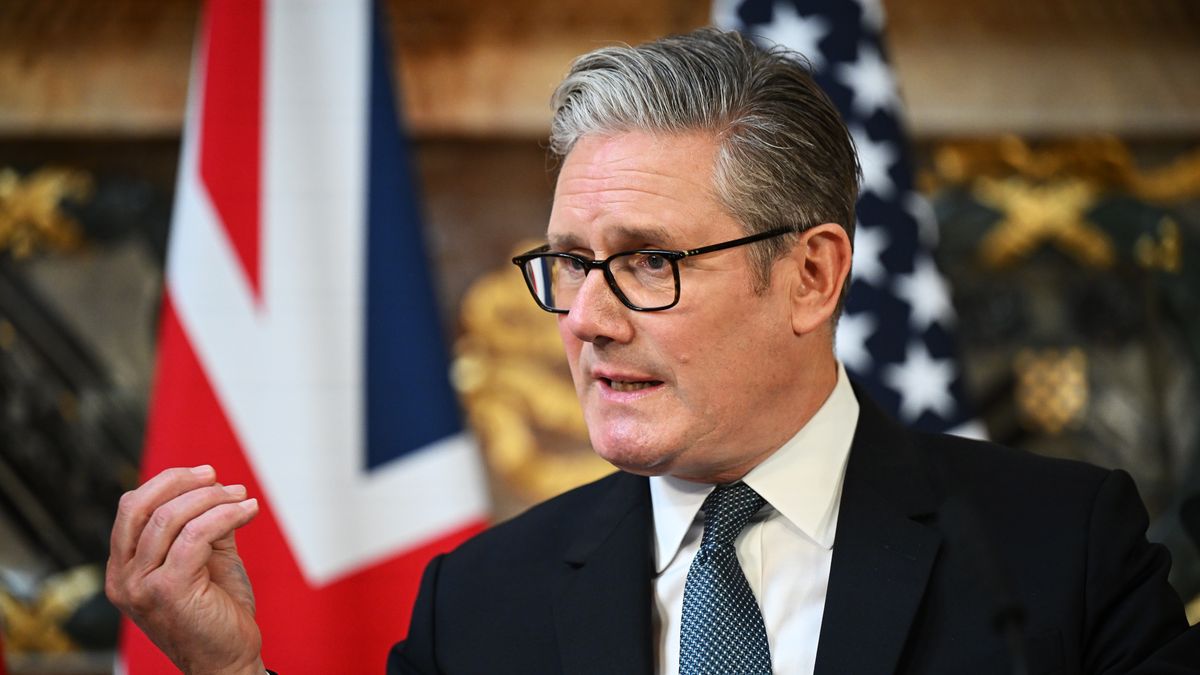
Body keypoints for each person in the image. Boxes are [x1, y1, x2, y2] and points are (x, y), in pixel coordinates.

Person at [106, 28, 1197, 674]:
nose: (586, 316)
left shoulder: (1058, 552)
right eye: (570, 262)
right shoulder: (480, 602)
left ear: (811, 275)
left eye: (648, 261)